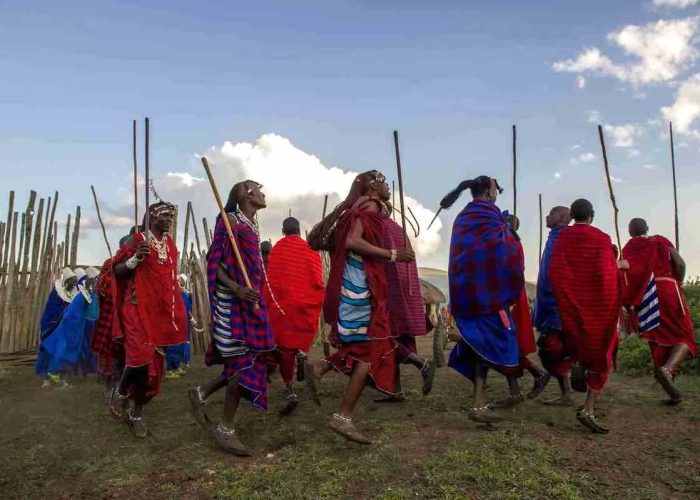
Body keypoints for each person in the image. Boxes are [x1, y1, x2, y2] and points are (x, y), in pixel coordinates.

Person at [304, 170, 415, 444]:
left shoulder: (357, 206)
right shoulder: (371, 205)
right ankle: (342, 417)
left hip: (352, 286)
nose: (389, 187)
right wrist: (393, 255)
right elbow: (354, 241)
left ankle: (321, 367)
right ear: (373, 187)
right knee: (370, 350)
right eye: (384, 183)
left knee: (370, 344)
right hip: (359, 289)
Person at [188, 180, 276, 456]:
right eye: (258, 189)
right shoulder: (230, 221)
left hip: (250, 303)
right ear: (246, 194)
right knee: (242, 363)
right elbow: (214, 262)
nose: (264, 193)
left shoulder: (251, 224)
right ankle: (225, 429)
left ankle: (201, 392)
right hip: (231, 305)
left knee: (255, 357)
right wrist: (237, 288)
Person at [443, 176, 524, 424]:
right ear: (489, 191)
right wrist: (511, 234)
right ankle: (479, 405)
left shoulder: (463, 218)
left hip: (467, 295)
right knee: (491, 345)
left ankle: (491, 399)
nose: (497, 194)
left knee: (479, 345)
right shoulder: (492, 216)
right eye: (496, 189)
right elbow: (507, 253)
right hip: (490, 296)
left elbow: (462, 257)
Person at [107, 202, 187, 438]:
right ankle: (121, 394)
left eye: (172, 216)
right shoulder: (136, 240)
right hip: (135, 309)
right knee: (140, 360)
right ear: (152, 216)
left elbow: (169, 280)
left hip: (159, 313)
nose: (170, 219)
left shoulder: (170, 245)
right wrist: (135, 260)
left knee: (152, 369)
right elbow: (117, 271)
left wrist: (176, 308)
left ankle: (136, 413)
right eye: (165, 215)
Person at [549, 199, 623, 433]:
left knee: (577, 347)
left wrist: (566, 299)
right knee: (603, 353)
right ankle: (588, 407)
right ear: (591, 215)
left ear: (572, 215)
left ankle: (578, 375)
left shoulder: (563, 238)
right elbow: (607, 275)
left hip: (571, 307)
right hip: (599, 308)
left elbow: (555, 272)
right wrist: (619, 265)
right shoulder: (602, 239)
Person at [622, 218, 697, 404]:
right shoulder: (660, 241)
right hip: (667, 289)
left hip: (645, 296)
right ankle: (668, 369)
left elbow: (625, 275)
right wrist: (678, 281)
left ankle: (673, 394)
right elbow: (679, 263)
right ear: (647, 228)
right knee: (685, 336)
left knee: (657, 338)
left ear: (630, 233)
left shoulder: (629, 248)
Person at [263, 217, 325, 415]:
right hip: (302, 305)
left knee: (284, 348)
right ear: (299, 230)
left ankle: (290, 389)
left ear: (283, 231)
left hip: (282, 308)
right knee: (297, 342)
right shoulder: (310, 249)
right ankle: (302, 356)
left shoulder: (277, 250)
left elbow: (271, 282)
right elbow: (317, 279)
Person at [492, 214, 550, 408]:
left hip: (508, 298)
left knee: (506, 343)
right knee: (506, 344)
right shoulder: (507, 241)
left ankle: (536, 373)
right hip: (506, 296)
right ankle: (517, 389)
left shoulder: (509, 242)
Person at [533, 206, 574, 405]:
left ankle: (569, 387)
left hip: (559, 303)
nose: (547, 216)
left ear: (564, 217)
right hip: (550, 303)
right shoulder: (554, 236)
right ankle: (566, 389)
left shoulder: (567, 236)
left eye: (552, 213)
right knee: (549, 348)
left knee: (551, 349)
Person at [42, 267, 100, 380]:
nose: (95, 281)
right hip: (71, 326)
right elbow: (71, 314)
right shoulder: (80, 297)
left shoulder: (86, 295)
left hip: (77, 325)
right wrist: (74, 328)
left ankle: (62, 375)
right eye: (93, 280)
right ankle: (53, 374)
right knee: (64, 349)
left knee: (75, 350)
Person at [36, 268, 78, 387]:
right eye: (72, 281)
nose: (74, 283)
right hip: (51, 325)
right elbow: (53, 311)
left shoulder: (73, 294)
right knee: (48, 349)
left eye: (75, 281)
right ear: (65, 281)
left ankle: (57, 375)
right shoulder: (56, 294)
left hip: (63, 327)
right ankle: (46, 378)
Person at [166, 274, 193, 377]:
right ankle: (169, 370)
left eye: (180, 282)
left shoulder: (185, 294)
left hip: (182, 323)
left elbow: (188, 309)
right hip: (174, 323)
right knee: (173, 346)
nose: (179, 284)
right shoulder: (172, 294)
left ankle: (176, 367)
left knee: (180, 346)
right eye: (178, 281)